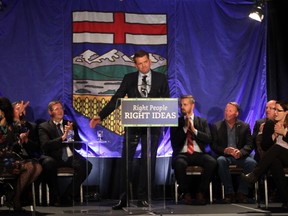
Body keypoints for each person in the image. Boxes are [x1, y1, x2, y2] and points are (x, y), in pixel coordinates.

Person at [90, 50, 170, 210]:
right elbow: (117, 99)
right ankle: (124, 197)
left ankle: (143, 197)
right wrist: (101, 115)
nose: (143, 66)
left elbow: (166, 101)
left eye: (145, 62)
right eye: (139, 64)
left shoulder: (161, 78)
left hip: (152, 127)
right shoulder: (130, 79)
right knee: (126, 161)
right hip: (133, 125)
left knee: (149, 161)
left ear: (150, 61)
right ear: (135, 65)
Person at [38, 100, 92, 206]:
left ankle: (68, 195)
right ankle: (55, 197)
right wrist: (63, 138)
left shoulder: (69, 124)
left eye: (61, 108)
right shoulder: (44, 127)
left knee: (87, 165)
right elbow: (45, 145)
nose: (60, 111)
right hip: (53, 157)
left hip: (69, 156)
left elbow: (78, 146)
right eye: (56, 109)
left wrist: (71, 133)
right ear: (50, 112)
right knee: (48, 163)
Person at [170, 95, 217, 205]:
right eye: (181, 105)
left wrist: (194, 130)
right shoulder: (176, 122)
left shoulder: (202, 121)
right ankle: (186, 193)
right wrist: (185, 128)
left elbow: (208, 139)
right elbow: (175, 141)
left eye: (185, 104)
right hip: (183, 153)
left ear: (192, 106)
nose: (182, 107)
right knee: (179, 163)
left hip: (198, 153)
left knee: (212, 162)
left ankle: (201, 192)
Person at [241, 100, 288, 209]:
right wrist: (274, 135)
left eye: (279, 110)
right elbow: (265, 146)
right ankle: (286, 200)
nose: (275, 112)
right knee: (274, 162)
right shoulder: (270, 124)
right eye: (274, 109)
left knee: (277, 148)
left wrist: (284, 133)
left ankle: (255, 174)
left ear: (286, 112)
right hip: (278, 157)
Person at [0, 97, 42, 211]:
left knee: (36, 167)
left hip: (10, 159)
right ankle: (14, 197)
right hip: (2, 161)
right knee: (27, 165)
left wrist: (21, 139)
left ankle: (14, 196)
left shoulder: (11, 124)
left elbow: (21, 130)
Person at [210, 102, 257, 203]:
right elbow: (213, 145)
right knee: (220, 160)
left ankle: (242, 193)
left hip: (240, 156)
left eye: (230, 111)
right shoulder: (216, 126)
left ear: (236, 114)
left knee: (252, 163)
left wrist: (240, 152)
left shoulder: (245, 126)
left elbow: (249, 145)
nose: (227, 113)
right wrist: (224, 150)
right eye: (226, 110)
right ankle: (229, 193)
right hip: (225, 156)